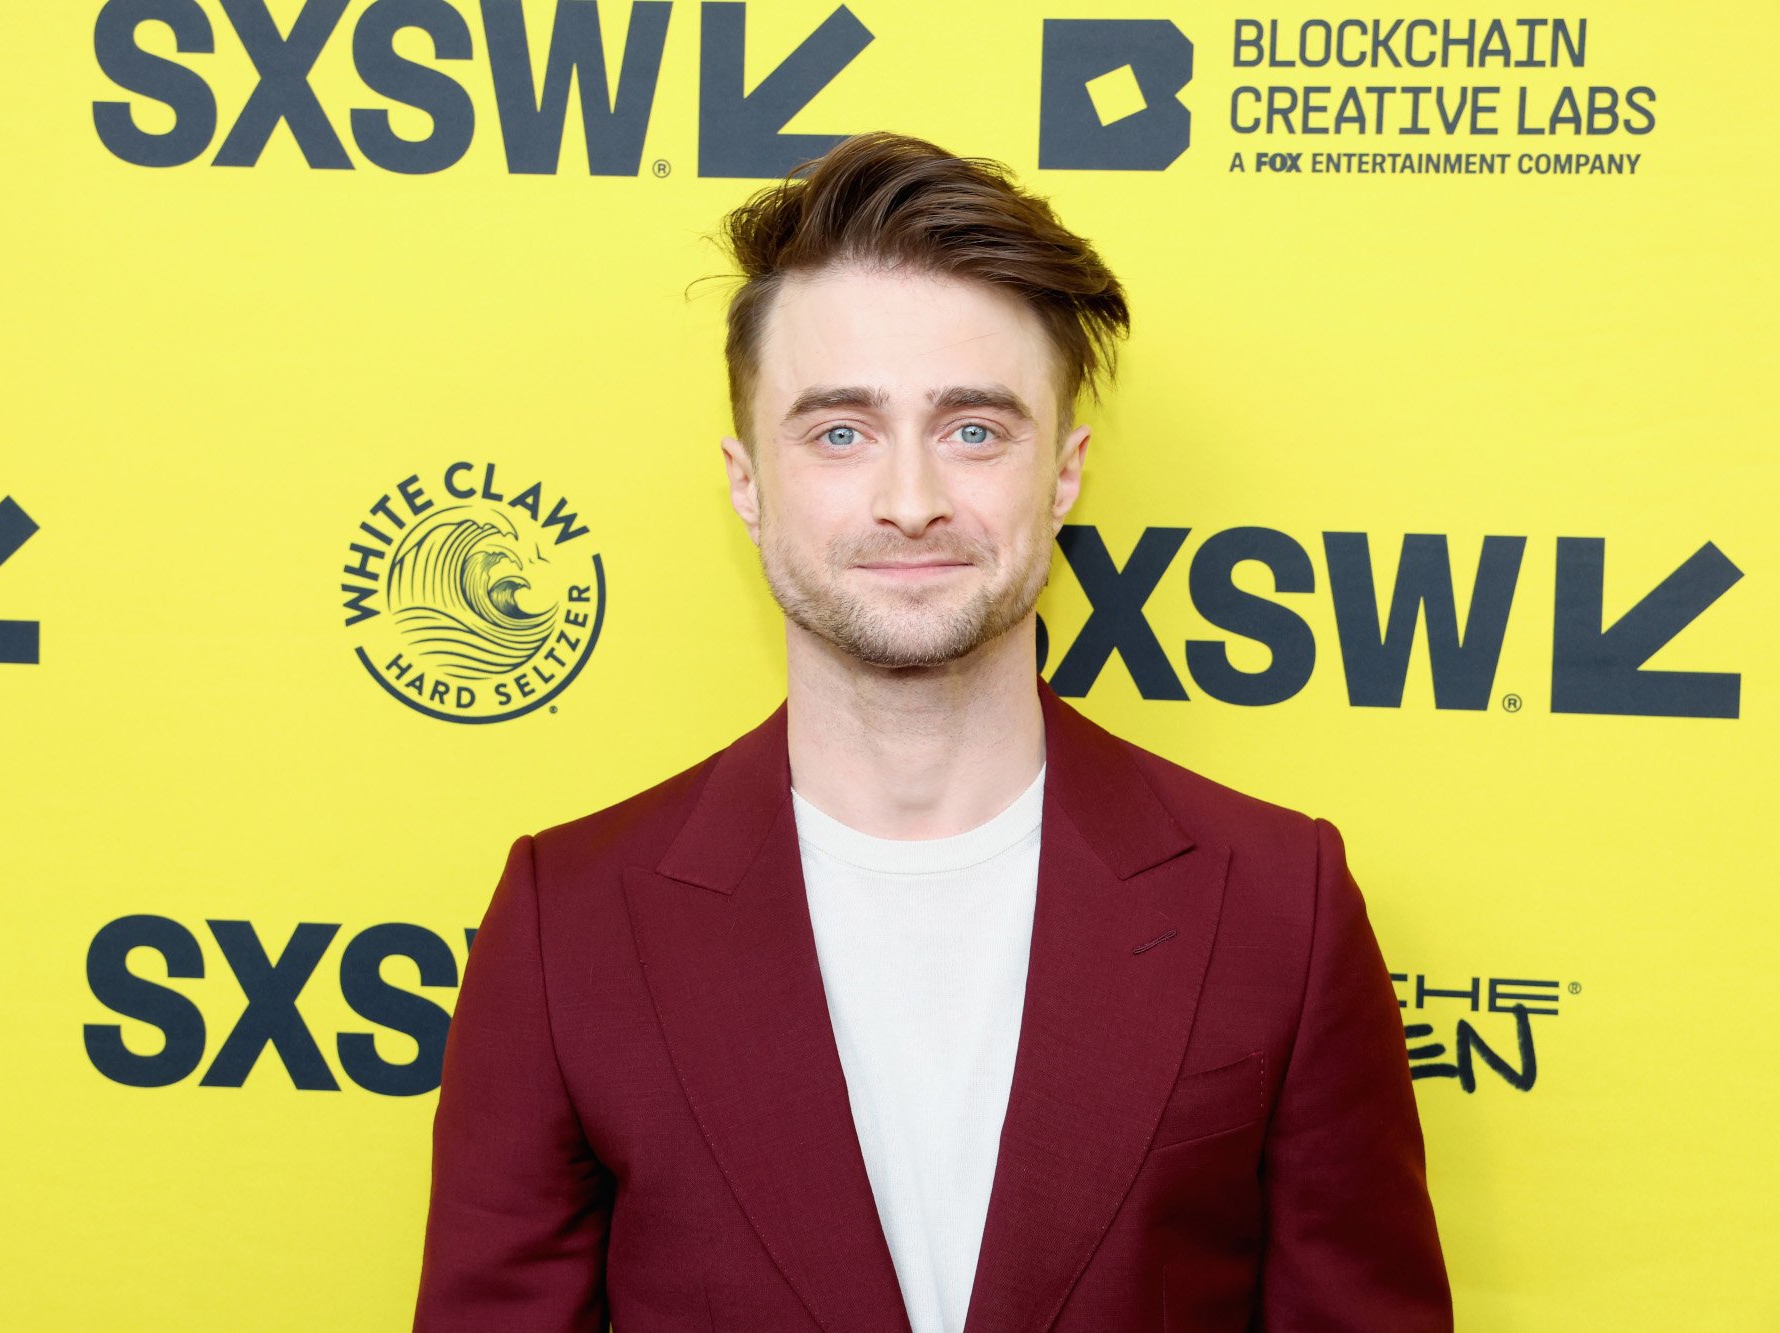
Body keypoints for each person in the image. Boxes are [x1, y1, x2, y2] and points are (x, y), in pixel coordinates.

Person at [411, 130, 1451, 1332]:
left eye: (972, 429)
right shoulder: (569, 919)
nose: (910, 501)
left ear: (1062, 474)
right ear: (746, 480)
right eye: (839, 431)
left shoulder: (1279, 901)